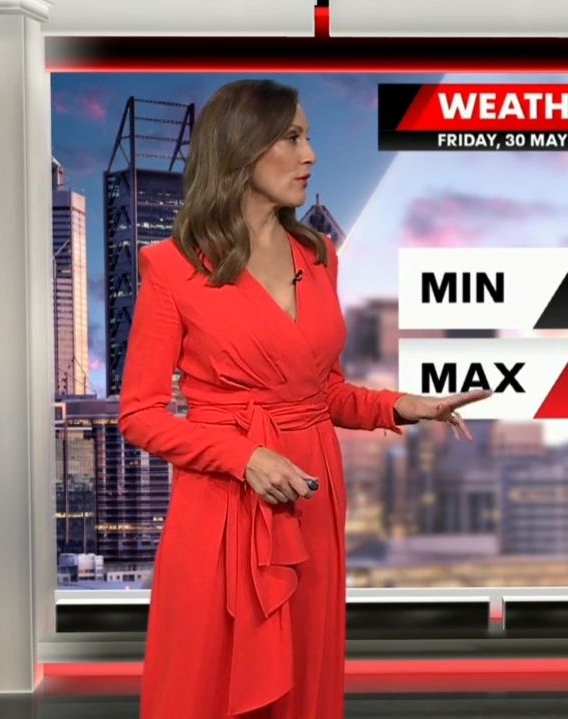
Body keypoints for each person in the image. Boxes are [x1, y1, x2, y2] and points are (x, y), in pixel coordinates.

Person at [118, 79, 491, 719]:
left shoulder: (317, 256)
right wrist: (243, 458)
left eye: (309, 137)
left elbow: (322, 390)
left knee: (304, 672)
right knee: (211, 676)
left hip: (312, 493)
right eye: (292, 138)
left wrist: (402, 405)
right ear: (242, 148)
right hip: (225, 501)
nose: (310, 154)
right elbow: (139, 415)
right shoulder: (172, 267)